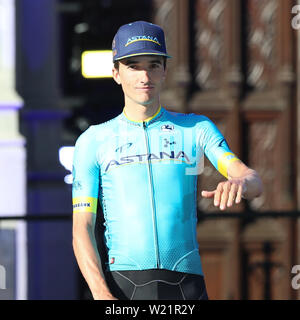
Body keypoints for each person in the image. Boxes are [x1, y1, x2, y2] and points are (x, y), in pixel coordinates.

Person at [72, 21, 263, 300]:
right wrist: (101, 293)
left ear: (165, 71)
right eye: (133, 65)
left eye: (153, 64)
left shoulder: (196, 129)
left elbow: (253, 180)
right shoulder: (93, 140)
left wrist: (240, 184)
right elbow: (82, 228)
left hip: (188, 286)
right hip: (123, 287)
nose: (144, 75)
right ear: (116, 73)